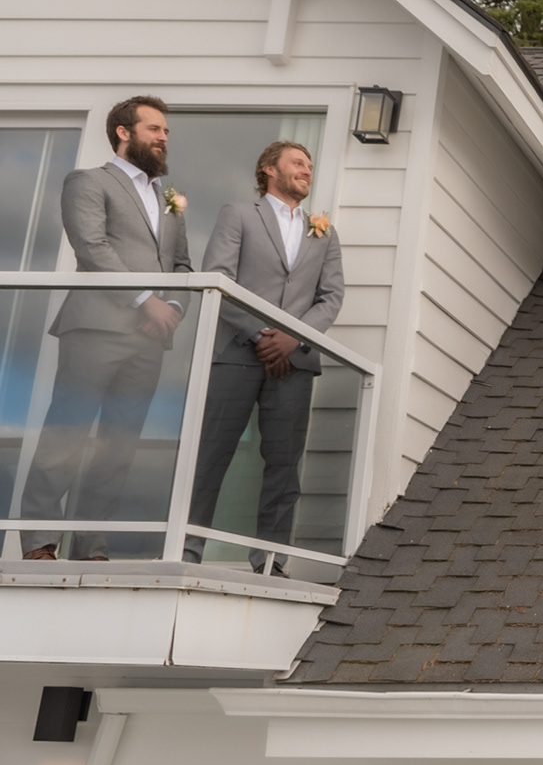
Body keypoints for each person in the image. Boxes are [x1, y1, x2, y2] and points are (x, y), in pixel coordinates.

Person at [21, 96, 193, 561]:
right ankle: (38, 542)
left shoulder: (169, 199)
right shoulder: (88, 181)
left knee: (119, 448)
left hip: (150, 341)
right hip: (96, 328)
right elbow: (92, 247)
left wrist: (173, 307)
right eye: (154, 128)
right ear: (123, 132)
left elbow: (182, 265)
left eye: (165, 131)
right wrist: (146, 301)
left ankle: (91, 545)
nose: (163, 137)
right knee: (67, 434)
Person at [184, 141, 344, 576]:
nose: (306, 170)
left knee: (283, 466)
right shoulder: (238, 214)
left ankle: (270, 562)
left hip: (295, 364)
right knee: (209, 456)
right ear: (269, 169)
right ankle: (186, 552)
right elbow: (219, 278)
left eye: (310, 165)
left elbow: (331, 297)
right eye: (297, 163)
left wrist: (292, 338)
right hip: (237, 353)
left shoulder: (324, 233)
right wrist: (260, 335)